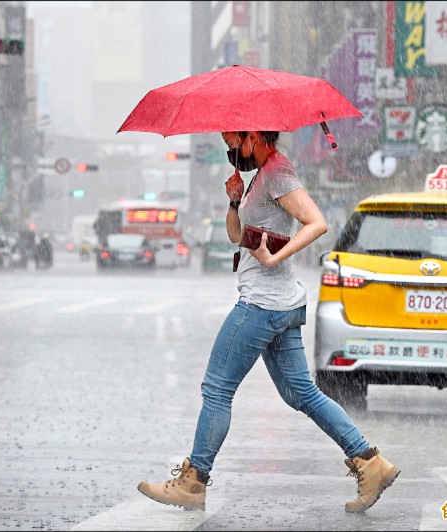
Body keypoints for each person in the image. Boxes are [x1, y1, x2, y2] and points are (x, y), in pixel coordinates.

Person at [137, 130, 400, 513]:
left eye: (233, 141)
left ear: (254, 136)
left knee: (217, 388)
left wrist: (274, 258)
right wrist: (233, 201)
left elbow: (316, 223)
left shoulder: (277, 172)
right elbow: (236, 237)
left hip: (262, 304)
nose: (230, 149)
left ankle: (193, 482)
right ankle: (370, 462)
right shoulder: (261, 176)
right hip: (279, 303)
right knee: (301, 394)